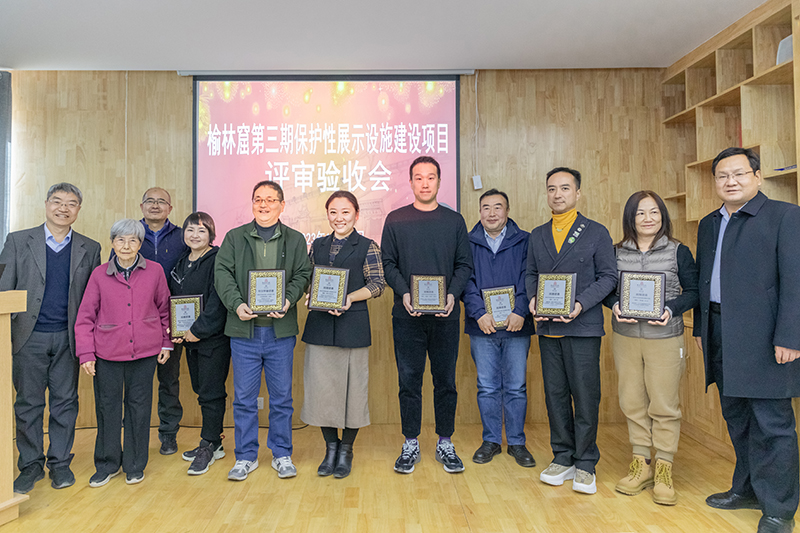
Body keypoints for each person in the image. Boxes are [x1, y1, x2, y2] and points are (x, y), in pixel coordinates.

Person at [694, 147, 800, 533]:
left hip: (767, 338)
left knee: (772, 425)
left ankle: (779, 510)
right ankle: (749, 489)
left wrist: (790, 336)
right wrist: (701, 330)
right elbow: (704, 281)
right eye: (723, 176)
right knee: (737, 418)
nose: (731, 182)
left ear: (757, 176)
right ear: (715, 182)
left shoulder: (785, 216)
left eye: (739, 174)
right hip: (720, 331)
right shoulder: (709, 223)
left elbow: (795, 282)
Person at [0, 183, 101, 493]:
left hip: (68, 339)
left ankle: (60, 463)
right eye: (57, 202)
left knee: (65, 403)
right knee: (28, 404)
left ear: (78, 210)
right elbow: (3, 291)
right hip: (27, 338)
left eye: (71, 204)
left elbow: (94, 299)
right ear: (46, 204)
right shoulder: (18, 241)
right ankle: (30, 464)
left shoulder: (90, 247)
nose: (63, 208)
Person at [525, 167, 616, 495]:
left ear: (578, 193)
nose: (558, 194)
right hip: (548, 328)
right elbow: (530, 273)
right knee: (556, 395)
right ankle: (562, 456)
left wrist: (580, 303)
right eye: (552, 188)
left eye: (565, 188)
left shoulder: (596, 232)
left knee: (585, 396)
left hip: (583, 327)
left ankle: (586, 461)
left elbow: (609, 277)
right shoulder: (538, 235)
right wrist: (533, 297)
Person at [603, 191, 698, 505]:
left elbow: (694, 291)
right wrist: (615, 305)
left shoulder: (678, 251)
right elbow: (606, 288)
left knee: (664, 404)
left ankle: (664, 467)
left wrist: (671, 308)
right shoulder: (615, 252)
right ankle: (641, 464)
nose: (647, 218)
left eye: (654, 212)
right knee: (631, 400)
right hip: (626, 337)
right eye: (640, 213)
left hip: (665, 338)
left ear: (663, 216)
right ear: (630, 218)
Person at [381, 155, 473, 474]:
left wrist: (452, 294)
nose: (424, 183)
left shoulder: (454, 221)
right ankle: (410, 442)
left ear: (438, 181)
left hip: (446, 316)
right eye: (418, 178)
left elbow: (464, 265)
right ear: (410, 182)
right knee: (409, 381)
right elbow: (388, 264)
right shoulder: (395, 219)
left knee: (445, 381)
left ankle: (445, 441)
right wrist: (404, 293)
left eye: (430, 177)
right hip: (406, 316)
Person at [215, 180, 312, 481]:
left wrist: (288, 299)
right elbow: (222, 273)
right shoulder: (235, 237)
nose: (264, 204)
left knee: (281, 398)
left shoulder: (295, 239)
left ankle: (282, 454)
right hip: (244, 332)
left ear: (282, 205)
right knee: (244, 399)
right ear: (252, 204)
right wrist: (236, 304)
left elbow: (303, 274)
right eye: (258, 199)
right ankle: (245, 457)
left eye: (271, 199)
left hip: (280, 333)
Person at [75, 218, 172, 487]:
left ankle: (135, 464)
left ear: (140, 244)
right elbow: (85, 317)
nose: (126, 246)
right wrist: (86, 353)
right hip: (107, 354)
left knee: (139, 409)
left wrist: (166, 342)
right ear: (112, 243)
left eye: (132, 240)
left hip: (145, 353)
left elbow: (165, 309)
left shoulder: (155, 271)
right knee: (107, 409)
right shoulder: (99, 274)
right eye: (120, 240)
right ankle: (107, 464)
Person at [300, 191, 385, 479]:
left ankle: (346, 449)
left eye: (346, 212)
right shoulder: (318, 245)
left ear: (356, 215)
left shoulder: (368, 246)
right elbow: (309, 279)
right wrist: (310, 293)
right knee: (321, 391)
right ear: (327, 215)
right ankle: (330, 448)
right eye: (333, 212)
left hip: (353, 327)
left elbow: (378, 284)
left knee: (353, 392)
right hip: (320, 327)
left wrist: (348, 298)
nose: (339, 218)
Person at [462, 188, 535, 467]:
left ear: (507, 210)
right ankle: (491, 440)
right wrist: (479, 313)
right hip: (482, 326)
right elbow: (465, 280)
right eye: (486, 208)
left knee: (516, 387)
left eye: (498, 207)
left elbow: (529, 277)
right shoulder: (467, 242)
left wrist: (520, 311)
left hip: (517, 325)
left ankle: (517, 442)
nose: (491, 213)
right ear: (479, 212)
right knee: (487, 387)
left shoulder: (525, 240)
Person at [168, 212, 230, 476]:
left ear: (211, 235)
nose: (195, 235)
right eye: (190, 230)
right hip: (189, 340)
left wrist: (198, 330)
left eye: (201, 231)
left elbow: (218, 301)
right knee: (200, 389)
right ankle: (213, 441)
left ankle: (210, 444)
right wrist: (176, 329)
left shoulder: (217, 259)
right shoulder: (182, 261)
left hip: (212, 339)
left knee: (211, 392)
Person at [138, 187, 187, 455]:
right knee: (138, 383)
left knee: (169, 380)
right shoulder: (130, 234)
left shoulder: (182, 236)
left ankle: (169, 434)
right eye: (150, 201)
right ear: (141, 206)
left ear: (170, 208)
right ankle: (135, 435)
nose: (155, 206)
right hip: (138, 320)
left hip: (174, 320)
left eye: (161, 202)